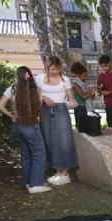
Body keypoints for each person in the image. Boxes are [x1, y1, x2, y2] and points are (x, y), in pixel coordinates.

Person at [0, 66, 50, 194]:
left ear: (17, 76)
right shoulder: (35, 89)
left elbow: (0, 106)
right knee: (39, 154)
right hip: (31, 125)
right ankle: (36, 184)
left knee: (26, 155)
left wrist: (11, 115)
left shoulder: (12, 89)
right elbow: (40, 104)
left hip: (17, 125)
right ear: (29, 75)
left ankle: (27, 182)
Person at [35, 56, 77, 186]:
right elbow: (35, 94)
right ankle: (58, 171)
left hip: (60, 110)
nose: (55, 72)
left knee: (64, 139)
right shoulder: (39, 78)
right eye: (52, 69)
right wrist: (44, 98)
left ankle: (65, 172)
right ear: (47, 67)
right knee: (49, 139)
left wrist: (72, 102)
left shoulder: (65, 79)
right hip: (45, 111)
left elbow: (71, 97)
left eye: (58, 69)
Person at [69, 61, 95, 132]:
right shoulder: (76, 85)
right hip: (80, 108)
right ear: (78, 75)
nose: (86, 78)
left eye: (86, 75)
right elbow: (83, 96)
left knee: (87, 127)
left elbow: (89, 97)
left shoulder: (84, 84)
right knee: (81, 128)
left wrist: (93, 94)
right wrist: (91, 91)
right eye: (84, 76)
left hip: (86, 107)